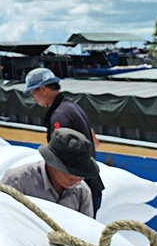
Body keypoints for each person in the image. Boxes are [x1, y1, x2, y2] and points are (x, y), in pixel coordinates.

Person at [24, 67, 105, 212]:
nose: (33, 99)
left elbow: (61, 160)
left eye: (32, 94)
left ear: (43, 89)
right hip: (89, 184)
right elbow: (95, 142)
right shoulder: (72, 107)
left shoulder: (59, 116)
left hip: (77, 190)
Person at [1, 128, 98, 217]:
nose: (77, 178)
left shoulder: (82, 192)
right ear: (50, 163)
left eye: (81, 174)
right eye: (69, 172)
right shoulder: (17, 181)